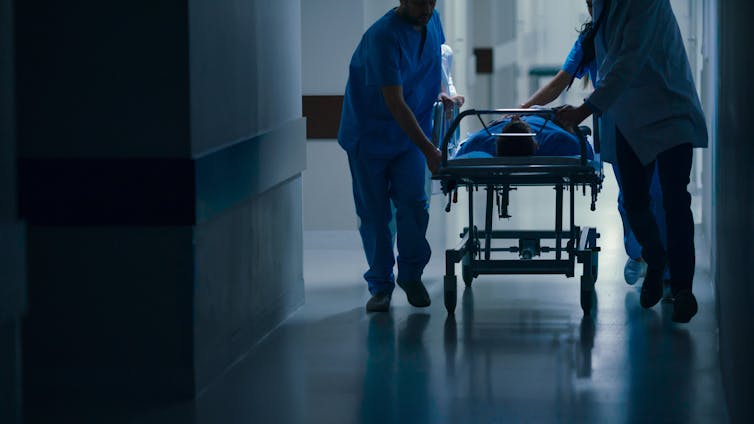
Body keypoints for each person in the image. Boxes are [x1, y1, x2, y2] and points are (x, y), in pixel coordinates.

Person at [556, 0, 708, 323]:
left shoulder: (647, 3)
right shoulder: (601, 5)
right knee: (635, 204)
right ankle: (655, 259)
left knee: (675, 201)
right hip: (631, 118)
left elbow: (627, 62)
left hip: (670, 109)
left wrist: (582, 111)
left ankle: (682, 290)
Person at [520, 0, 668, 287]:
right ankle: (638, 254)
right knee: (630, 198)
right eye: (590, 3)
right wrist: (524, 108)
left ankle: (665, 270)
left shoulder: (637, 25)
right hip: (617, 125)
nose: (594, 8)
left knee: (658, 195)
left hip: (652, 120)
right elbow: (560, 81)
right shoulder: (589, 39)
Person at [338, 0, 445, 312]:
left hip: (410, 136)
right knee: (375, 215)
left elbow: (432, 63)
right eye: (419, 0)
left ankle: (411, 275)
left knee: (414, 206)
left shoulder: (432, 20)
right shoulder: (383, 37)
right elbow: (395, 103)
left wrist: (440, 92)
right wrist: (429, 149)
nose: (426, 6)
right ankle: (380, 285)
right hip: (369, 136)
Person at [453, 114, 595, 159]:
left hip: (504, 122)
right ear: (536, 145)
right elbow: (587, 152)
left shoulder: (481, 140)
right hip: (546, 119)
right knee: (572, 127)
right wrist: (571, 130)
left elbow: (458, 154)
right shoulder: (557, 139)